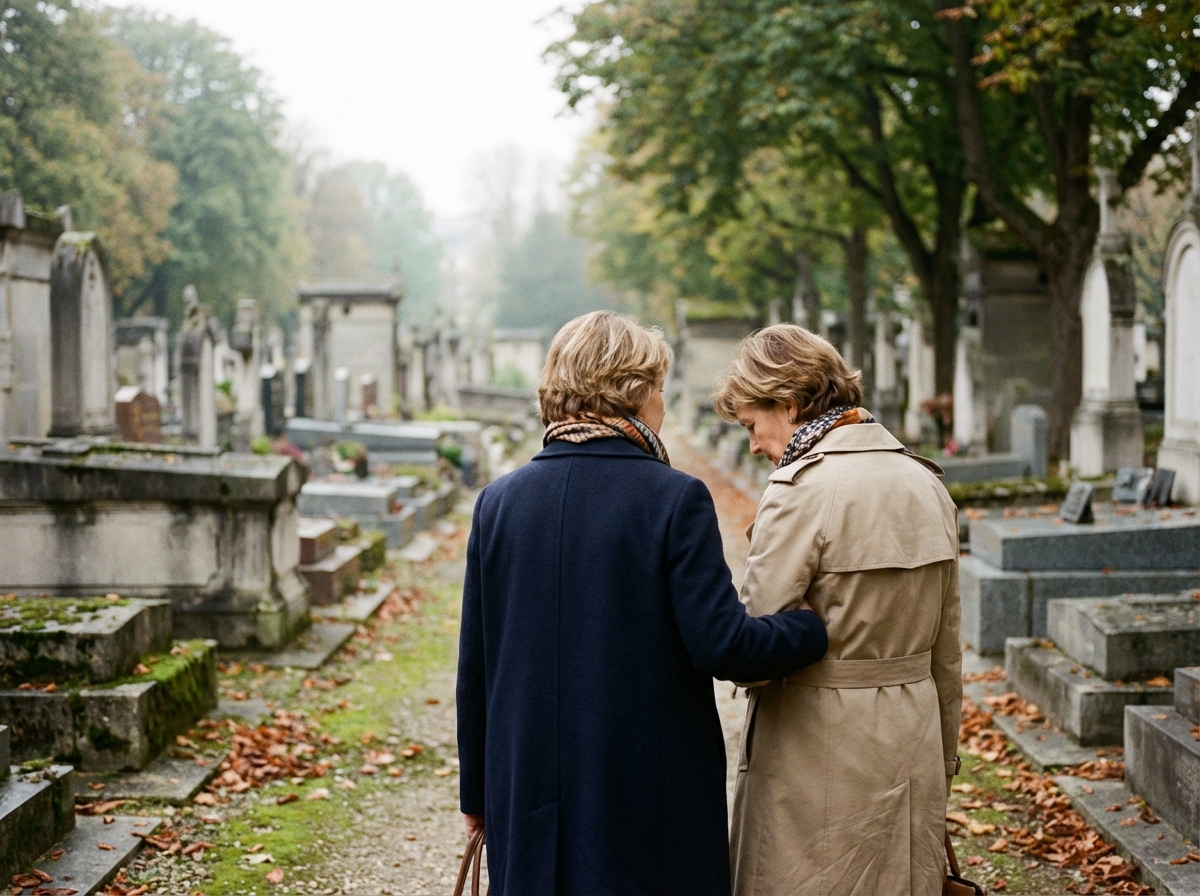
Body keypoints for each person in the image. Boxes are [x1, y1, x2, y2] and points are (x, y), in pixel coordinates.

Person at [456, 311, 829, 896]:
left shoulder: (497, 504)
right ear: (633, 393)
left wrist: (477, 798)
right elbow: (726, 646)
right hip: (645, 804)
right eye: (657, 387)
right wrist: (810, 629)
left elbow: (475, 670)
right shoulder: (673, 500)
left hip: (525, 795)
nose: (661, 404)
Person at [715, 324, 962, 896]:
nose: (753, 444)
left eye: (753, 424)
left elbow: (752, 653)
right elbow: (947, 647)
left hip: (814, 741)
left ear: (790, 403)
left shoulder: (799, 489)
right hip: (914, 734)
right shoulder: (926, 482)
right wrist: (942, 758)